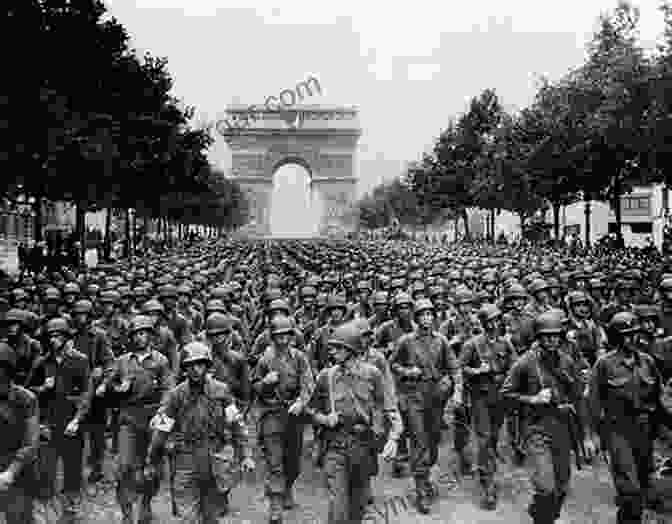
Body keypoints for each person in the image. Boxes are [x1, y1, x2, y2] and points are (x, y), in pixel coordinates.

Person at [146, 342, 255, 523]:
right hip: (185, 459)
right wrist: (152, 461)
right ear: (185, 369)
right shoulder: (176, 395)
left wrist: (246, 455)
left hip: (214, 457)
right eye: (191, 366)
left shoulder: (221, 391)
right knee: (187, 516)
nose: (196, 370)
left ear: (207, 365)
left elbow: (237, 424)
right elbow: (161, 431)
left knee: (211, 516)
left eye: (200, 364)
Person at [307, 321, 401, 523]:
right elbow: (310, 410)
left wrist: (392, 437)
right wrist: (324, 419)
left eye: (338, 348)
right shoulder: (327, 376)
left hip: (363, 446)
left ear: (351, 349)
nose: (332, 352)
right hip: (335, 445)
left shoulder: (372, 374)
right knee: (337, 505)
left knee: (358, 505)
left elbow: (388, 408)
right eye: (331, 347)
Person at [500, 311, 585, 524]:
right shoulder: (526, 362)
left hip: (563, 429)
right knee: (546, 486)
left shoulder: (566, 360)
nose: (551, 340)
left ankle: (542, 514)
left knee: (562, 486)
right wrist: (532, 399)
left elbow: (577, 398)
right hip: (536, 428)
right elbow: (505, 394)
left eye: (555, 335)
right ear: (538, 337)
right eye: (546, 336)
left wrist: (587, 435)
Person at [0, 342, 39, 524]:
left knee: (18, 517)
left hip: (18, 468)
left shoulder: (25, 399)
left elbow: (31, 444)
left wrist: (11, 472)